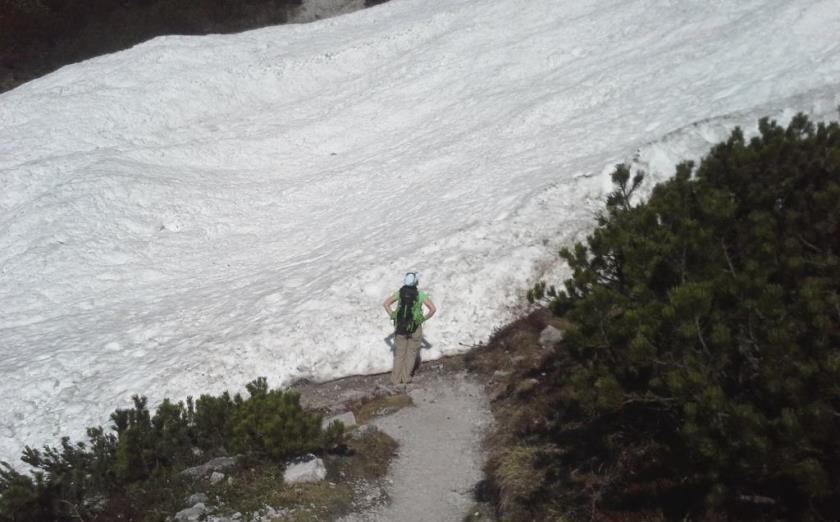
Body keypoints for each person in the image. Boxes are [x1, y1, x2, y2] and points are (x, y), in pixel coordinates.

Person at [383, 272, 436, 387]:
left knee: (399, 354)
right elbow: (432, 309)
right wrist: (422, 319)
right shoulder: (420, 295)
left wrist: (393, 315)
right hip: (415, 327)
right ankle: (405, 378)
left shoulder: (400, 293)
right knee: (411, 353)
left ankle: (395, 380)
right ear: (416, 282)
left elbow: (386, 304)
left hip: (400, 327)